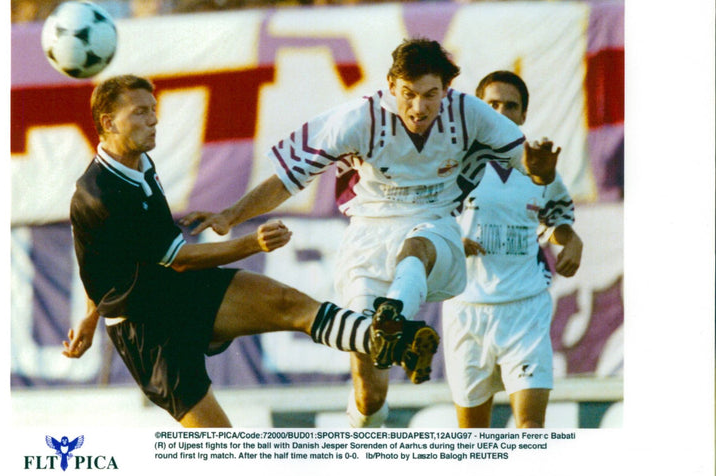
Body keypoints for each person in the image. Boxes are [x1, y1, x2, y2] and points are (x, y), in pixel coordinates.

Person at [182, 38, 561, 428]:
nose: (419, 107)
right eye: (409, 94)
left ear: (446, 91)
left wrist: (542, 170)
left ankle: (393, 313)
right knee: (370, 392)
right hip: (367, 238)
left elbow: (530, 165)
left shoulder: (470, 112)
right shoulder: (357, 119)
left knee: (419, 244)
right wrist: (230, 215)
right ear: (391, 85)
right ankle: (366, 429)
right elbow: (287, 179)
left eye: (431, 95)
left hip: (436, 224)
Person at [62, 74, 438, 428]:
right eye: (140, 112)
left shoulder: (139, 161)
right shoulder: (100, 194)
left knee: (289, 303)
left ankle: (402, 342)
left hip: (177, 292)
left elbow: (104, 256)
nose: (154, 119)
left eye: (153, 109)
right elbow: (178, 259)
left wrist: (89, 318)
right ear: (109, 123)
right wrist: (250, 244)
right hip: (144, 326)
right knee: (224, 450)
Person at [442, 70, 583, 428]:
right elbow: (422, 222)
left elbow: (557, 222)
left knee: (530, 430)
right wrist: (450, 242)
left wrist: (572, 241)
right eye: (493, 105)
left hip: (524, 308)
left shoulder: (538, 167)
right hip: (467, 309)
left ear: (523, 115)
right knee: (473, 436)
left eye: (511, 105)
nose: (502, 112)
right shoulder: (451, 164)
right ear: (479, 110)